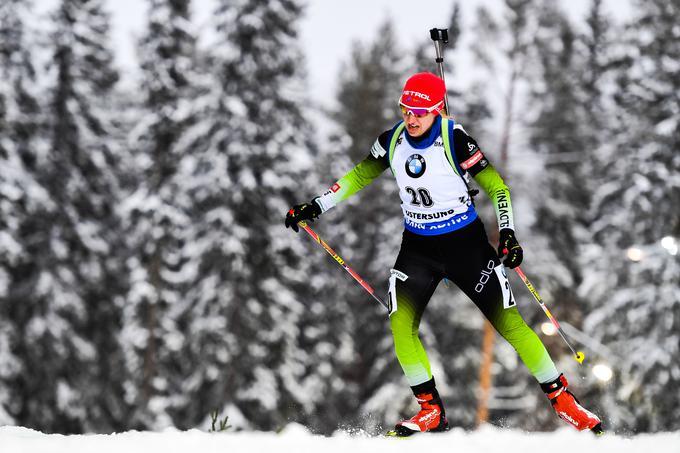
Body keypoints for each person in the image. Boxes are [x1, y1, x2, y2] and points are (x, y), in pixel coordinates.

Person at [285, 72, 602, 436]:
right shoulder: (392, 141)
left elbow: (498, 188)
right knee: (401, 324)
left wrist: (509, 235)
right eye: (407, 110)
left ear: (436, 110)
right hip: (418, 248)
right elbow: (359, 175)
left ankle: (563, 401)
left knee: (510, 324)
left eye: (420, 111)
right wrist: (316, 206)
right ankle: (430, 409)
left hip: (465, 245)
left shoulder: (455, 140)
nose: (412, 118)